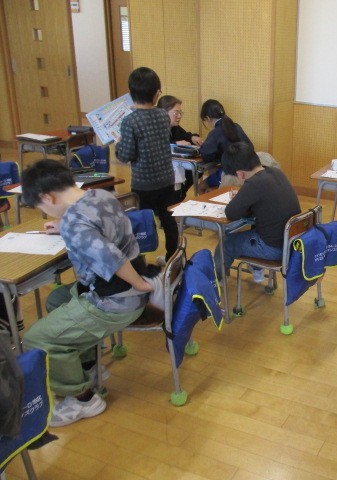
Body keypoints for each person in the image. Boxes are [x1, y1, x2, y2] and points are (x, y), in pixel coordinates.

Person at [20, 159, 156, 427]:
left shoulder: (75, 223)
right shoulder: (100, 195)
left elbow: (113, 260)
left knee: (36, 339)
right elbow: (99, 230)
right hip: (122, 288)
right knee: (57, 299)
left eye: (42, 208)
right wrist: (64, 226)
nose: (46, 213)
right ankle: (88, 366)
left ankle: (83, 399)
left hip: (115, 300)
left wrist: (141, 285)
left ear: (47, 197)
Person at [116, 67, 179, 265]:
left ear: (131, 93)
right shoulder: (162, 115)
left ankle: (140, 264)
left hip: (144, 183)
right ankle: (173, 260)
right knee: (168, 219)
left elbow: (126, 155)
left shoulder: (130, 121)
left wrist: (118, 143)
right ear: (156, 93)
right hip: (166, 178)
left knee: (141, 222)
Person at [215, 142, 300, 282]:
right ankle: (256, 270)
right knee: (251, 231)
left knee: (226, 243)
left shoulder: (253, 184)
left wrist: (241, 196)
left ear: (240, 174)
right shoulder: (276, 172)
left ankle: (215, 282)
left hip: (274, 249)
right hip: (291, 243)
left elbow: (231, 213)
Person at [199, 99, 254, 190]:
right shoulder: (236, 126)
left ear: (208, 118)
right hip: (248, 169)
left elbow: (206, 155)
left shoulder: (215, 132)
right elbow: (250, 146)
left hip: (232, 173)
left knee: (201, 187)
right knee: (213, 170)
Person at [157, 94, 203, 200]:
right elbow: (159, 146)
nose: (179, 116)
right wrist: (176, 143)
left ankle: (181, 194)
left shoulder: (174, 127)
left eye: (180, 113)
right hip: (163, 169)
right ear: (164, 113)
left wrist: (192, 137)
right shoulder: (157, 127)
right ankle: (178, 196)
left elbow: (185, 135)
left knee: (198, 169)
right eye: (176, 113)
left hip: (176, 164)